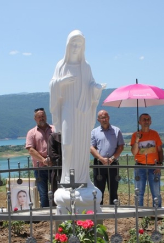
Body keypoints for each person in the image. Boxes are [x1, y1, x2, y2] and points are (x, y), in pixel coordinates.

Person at [49, 30, 104, 189]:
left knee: (81, 143)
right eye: (73, 44)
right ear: (68, 45)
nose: (75, 48)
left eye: (79, 45)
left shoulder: (85, 67)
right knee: (67, 143)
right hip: (67, 108)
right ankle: (67, 175)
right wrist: (62, 82)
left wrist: (96, 88)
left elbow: (91, 85)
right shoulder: (61, 65)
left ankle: (81, 176)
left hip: (83, 111)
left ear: (83, 47)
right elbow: (52, 85)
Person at [90, 110, 124, 205]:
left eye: (106, 117)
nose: (104, 119)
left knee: (113, 188)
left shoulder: (116, 130)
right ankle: (98, 211)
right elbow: (91, 148)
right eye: (102, 118)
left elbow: (121, 147)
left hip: (113, 163)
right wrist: (101, 158)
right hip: (99, 164)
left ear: (109, 117)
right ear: (98, 119)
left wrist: (112, 158)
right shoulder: (94, 132)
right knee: (98, 189)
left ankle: (114, 211)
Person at [130, 113, 164, 207]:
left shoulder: (155, 134)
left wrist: (160, 164)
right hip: (140, 167)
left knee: (156, 192)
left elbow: (160, 150)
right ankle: (139, 213)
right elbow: (134, 152)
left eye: (148, 119)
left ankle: (157, 212)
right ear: (139, 122)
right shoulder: (135, 135)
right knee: (139, 192)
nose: (146, 121)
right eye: (144, 119)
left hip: (154, 167)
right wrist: (137, 140)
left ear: (151, 122)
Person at [25, 108, 54, 207]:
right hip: (40, 167)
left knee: (57, 190)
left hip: (54, 166)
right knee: (43, 193)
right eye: (39, 117)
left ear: (46, 116)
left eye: (43, 116)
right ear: (35, 118)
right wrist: (44, 160)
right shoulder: (31, 133)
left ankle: (57, 213)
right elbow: (30, 149)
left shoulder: (54, 129)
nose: (41, 118)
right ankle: (46, 214)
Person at [47, 131, 62, 200]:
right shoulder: (53, 136)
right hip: (57, 169)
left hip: (71, 168)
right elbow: (51, 153)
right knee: (56, 191)